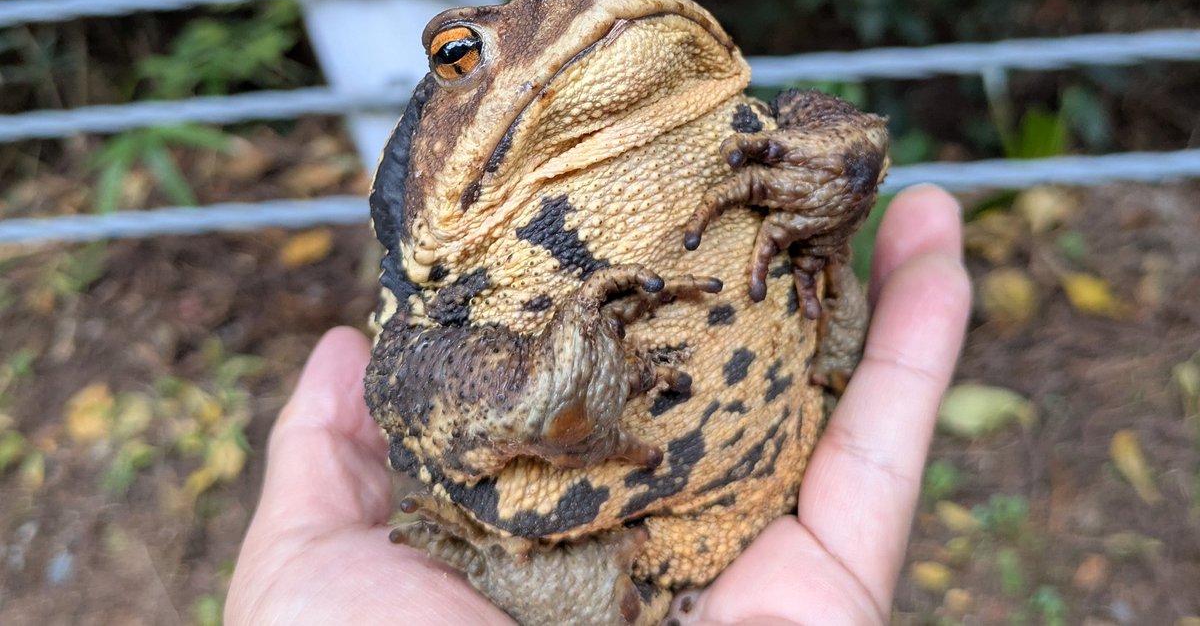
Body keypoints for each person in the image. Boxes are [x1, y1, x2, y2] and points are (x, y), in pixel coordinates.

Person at [226, 184, 971, 625]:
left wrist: (828, 200)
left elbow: (843, 156)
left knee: (846, 327)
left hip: (792, 426)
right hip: (605, 550)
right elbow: (414, 378)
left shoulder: (701, 110)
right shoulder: (464, 236)